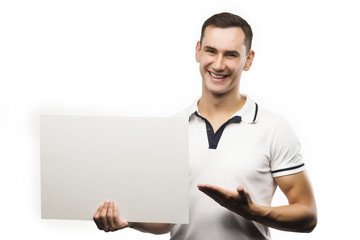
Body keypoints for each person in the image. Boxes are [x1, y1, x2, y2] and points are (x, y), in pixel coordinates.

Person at [93, 12, 317, 239]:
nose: (218, 65)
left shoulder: (274, 128)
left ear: (248, 60)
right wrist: (129, 220)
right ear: (198, 51)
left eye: (230, 55)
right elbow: (166, 222)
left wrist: (253, 212)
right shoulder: (172, 130)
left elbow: (307, 215)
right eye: (211, 51)